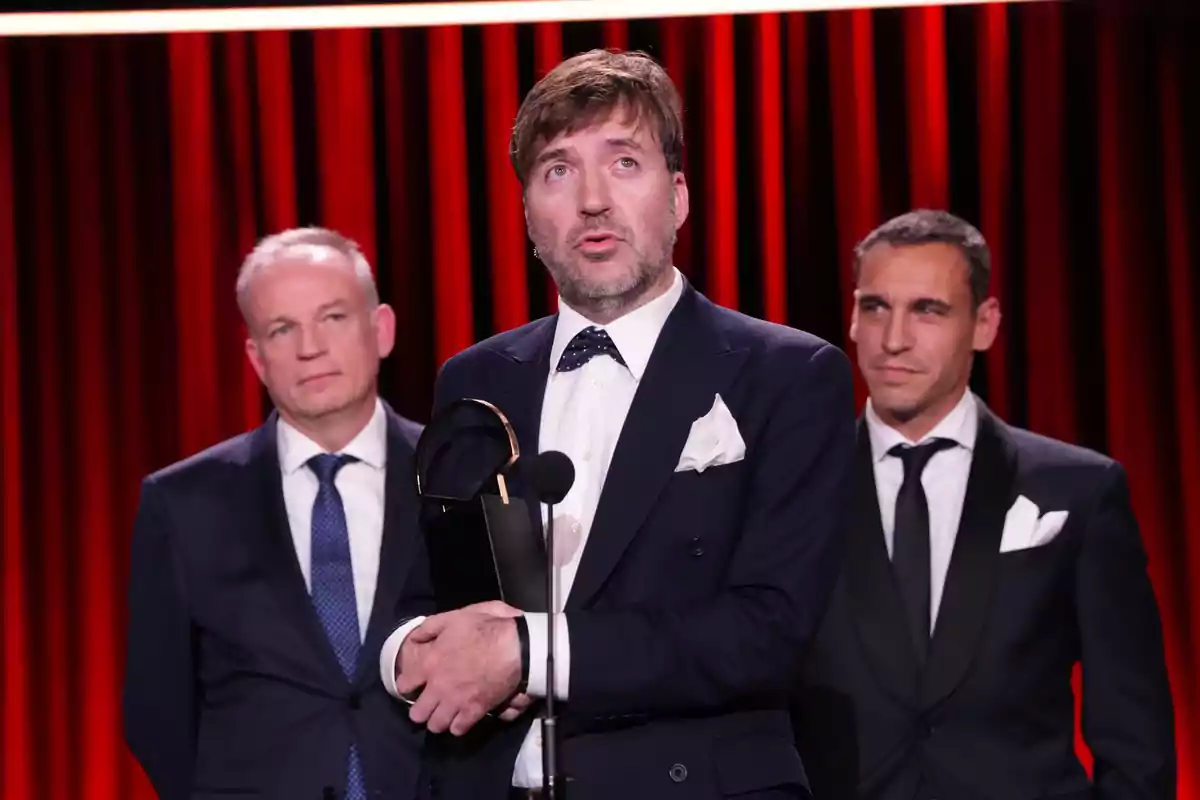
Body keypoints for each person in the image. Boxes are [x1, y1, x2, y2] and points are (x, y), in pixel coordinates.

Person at [375, 49, 857, 800]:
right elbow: (419, 596)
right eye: (558, 171)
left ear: (680, 196)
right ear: (529, 212)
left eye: (624, 163)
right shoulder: (475, 378)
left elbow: (766, 631)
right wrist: (412, 656)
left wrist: (529, 653)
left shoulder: (788, 375)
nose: (592, 200)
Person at [791, 209, 1177, 799]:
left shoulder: (1077, 492)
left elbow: (1135, 740)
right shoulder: (793, 490)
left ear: (985, 323)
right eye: (875, 307)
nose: (894, 339)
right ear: (852, 316)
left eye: (928, 309)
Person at [122, 228, 431, 800]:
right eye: (282, 329)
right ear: (256, 358)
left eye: (333, 317)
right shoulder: (184, 503)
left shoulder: (457, 481)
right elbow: (154, 707)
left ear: (381, 329)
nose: (309, 347)